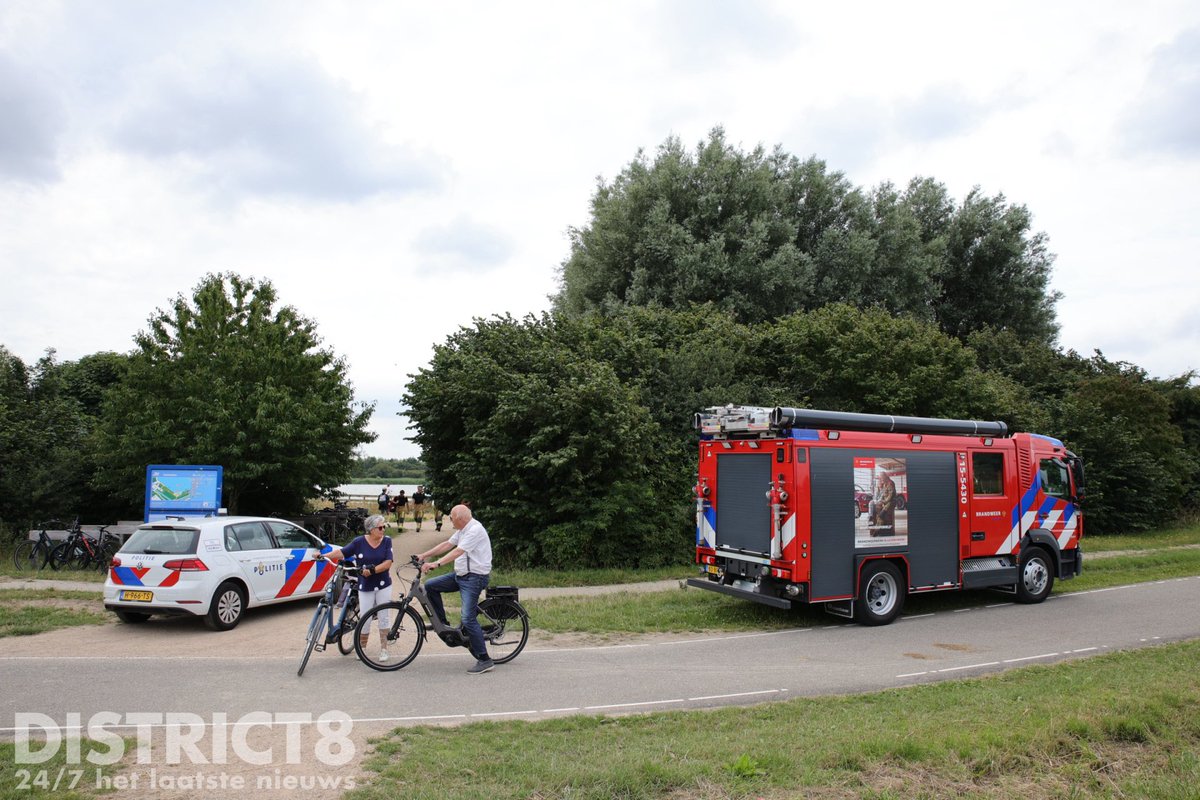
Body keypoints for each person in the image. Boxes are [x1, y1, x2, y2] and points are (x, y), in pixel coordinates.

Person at [416, 504, 494, 674]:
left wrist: (436, 563)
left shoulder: (474, 530)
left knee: (468, 618)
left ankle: (484, 659)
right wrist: (424, 555)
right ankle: (443, 625)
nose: (449, 520)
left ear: (460, 518)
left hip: (474, 577)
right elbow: (447, 544)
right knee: (430, 586)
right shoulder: (463, 530)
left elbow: (458, 551)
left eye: (451, 517)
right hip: (461, 575)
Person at [323, 514, 395, 661]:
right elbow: (342, 552)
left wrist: (373, 570)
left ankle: (384, 649)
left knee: (383, 616)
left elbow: (388, 562)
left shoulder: (387, 541)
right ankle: (362, 648)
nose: (383, 530)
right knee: (365, 617)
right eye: (380, 527)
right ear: (371, 529)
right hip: (365, 585)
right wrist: (325, 555)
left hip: (383, 585)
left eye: (384, 527)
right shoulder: (358, 542)